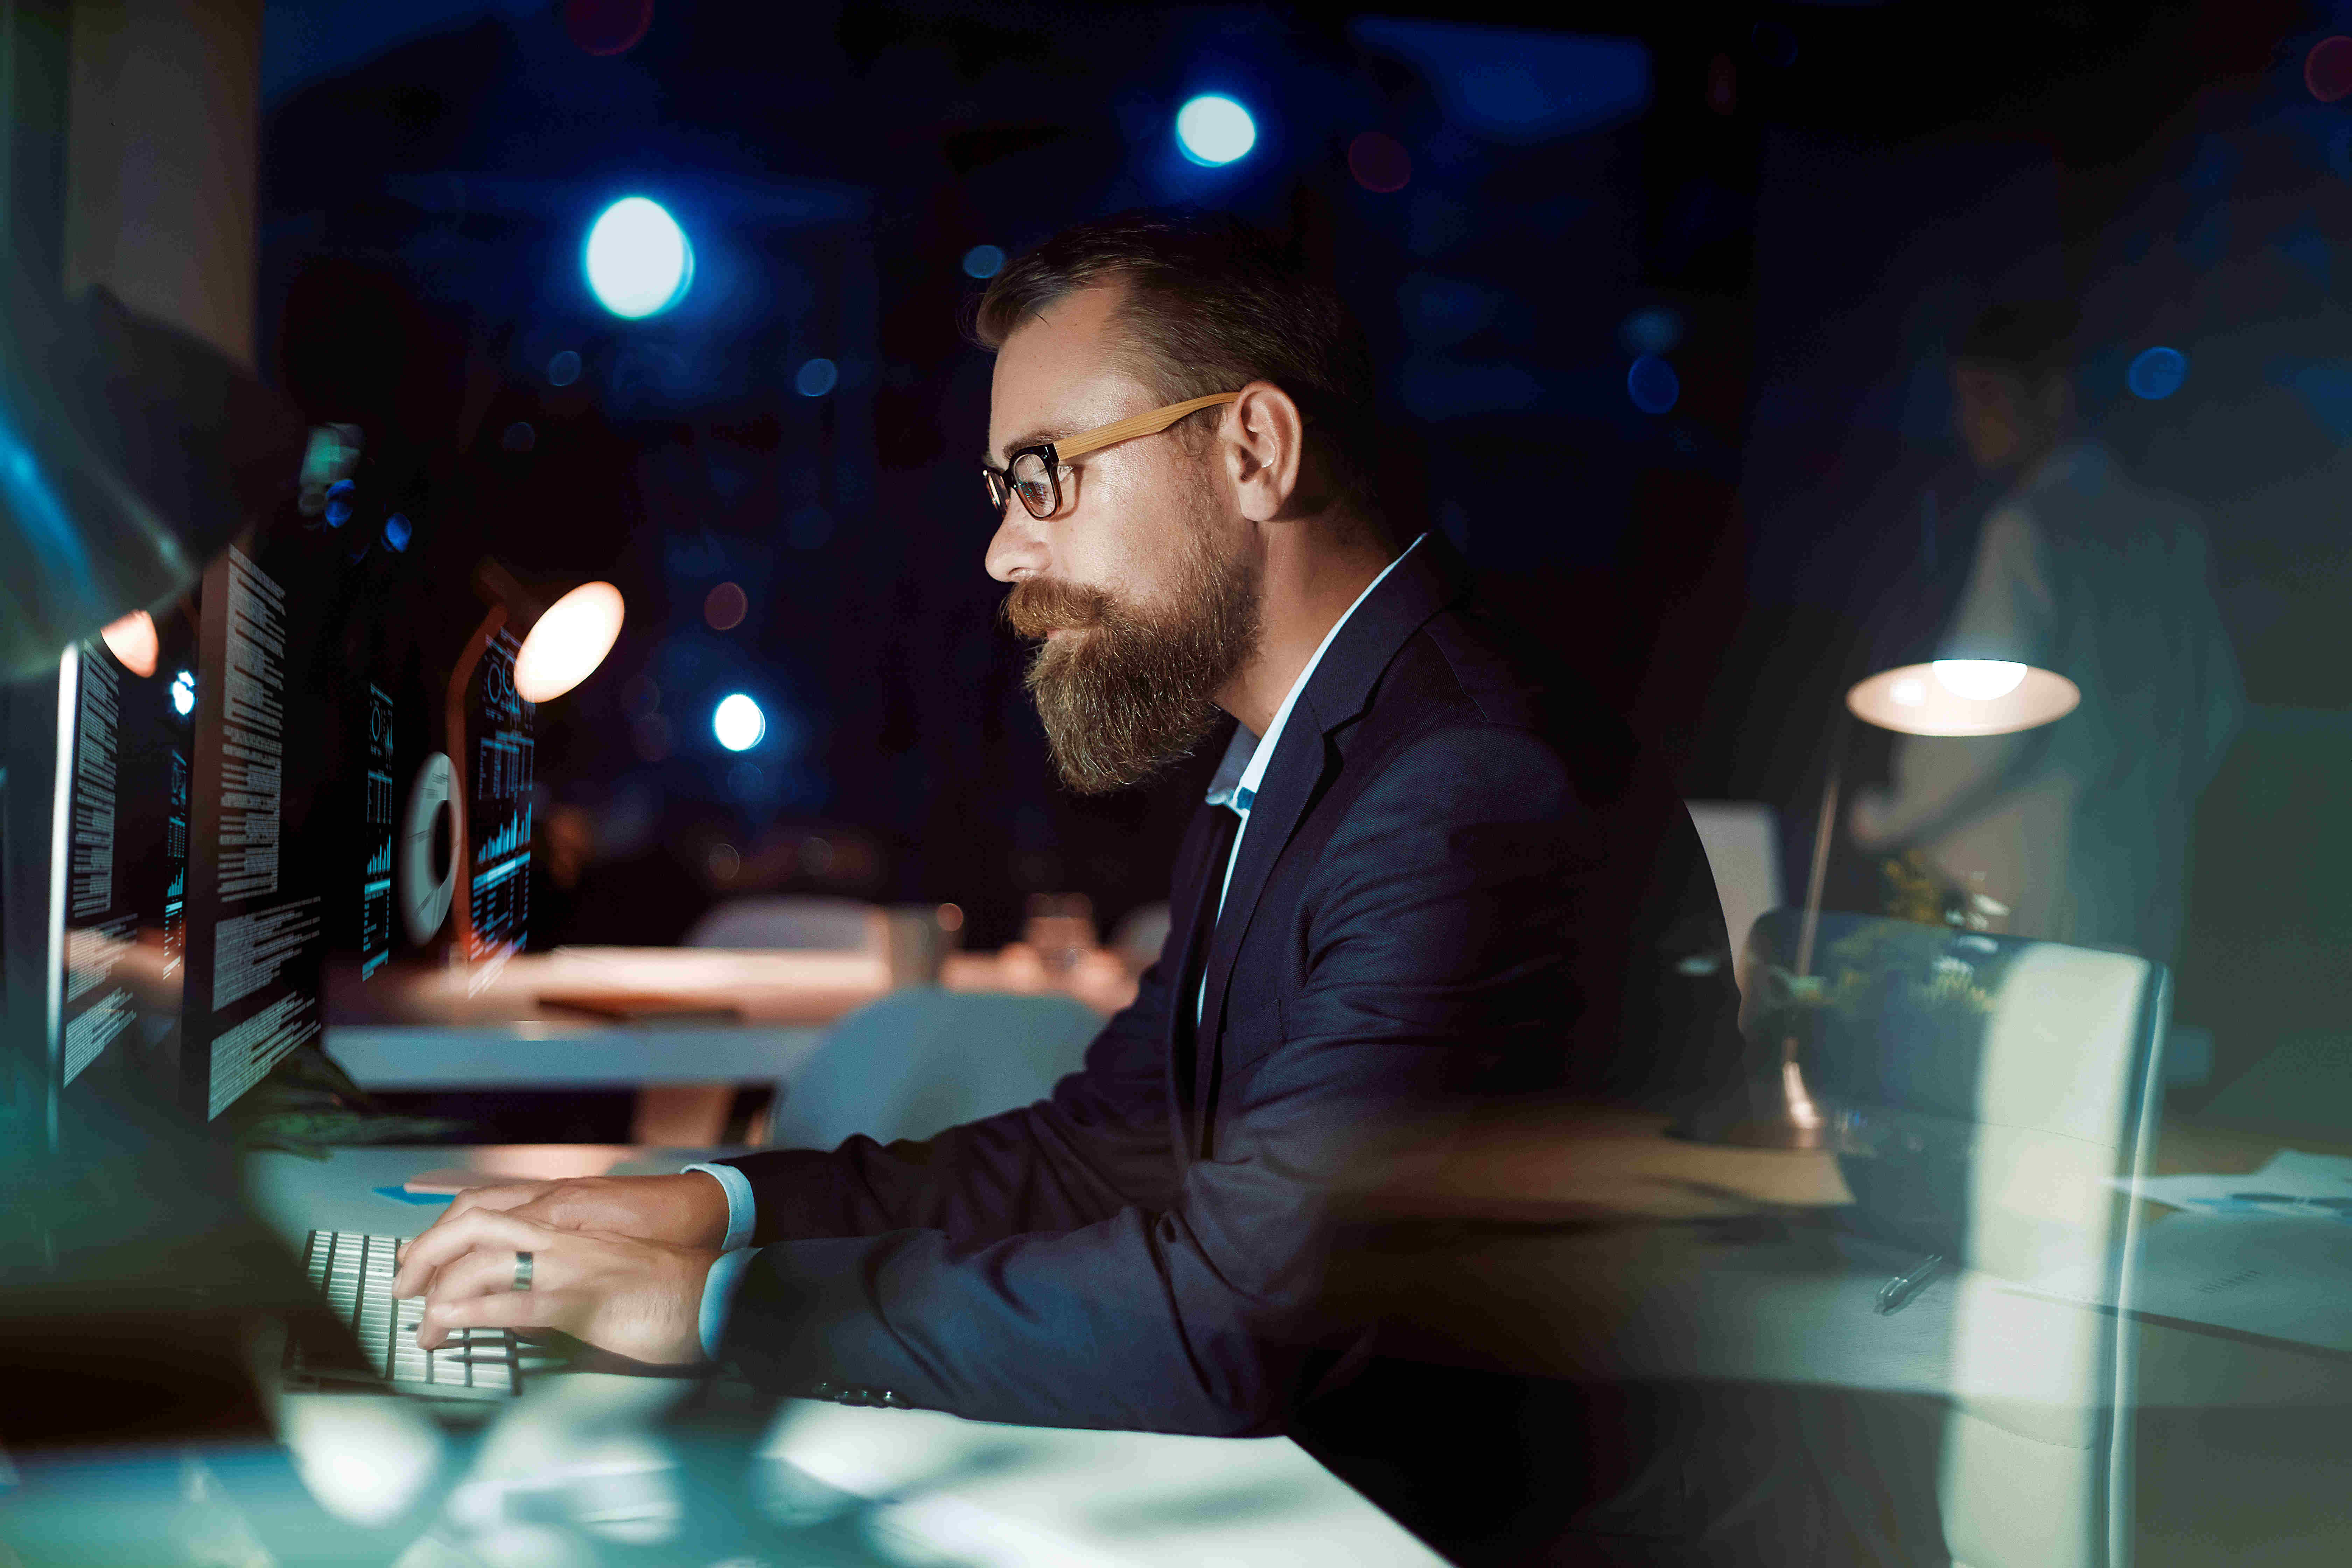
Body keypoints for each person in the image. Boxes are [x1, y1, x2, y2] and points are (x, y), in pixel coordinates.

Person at [390, 212, 1742, 1556]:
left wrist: (715, 1308)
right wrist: (719, 1204)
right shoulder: (1305, 746)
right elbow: (1102, 1152)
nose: (1004, 554)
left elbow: (1237, 1319)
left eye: (1045, 475)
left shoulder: (1465, 784)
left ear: (1252, 450)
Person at [1849, 302, 2242, 962]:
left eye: (1985, 395)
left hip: (2020, 893)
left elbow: (1982, 723)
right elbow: (2221, 712)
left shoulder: (2028, 530)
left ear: (2053, 395)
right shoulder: (2176, 533)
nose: (1967, 421)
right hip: (2141, 888)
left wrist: (1881, 816)